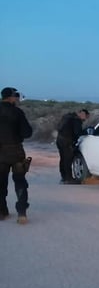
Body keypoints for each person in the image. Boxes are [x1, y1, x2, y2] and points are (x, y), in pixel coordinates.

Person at [0, 87, 33, 224]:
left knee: (1, 183)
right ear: (11, 97)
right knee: (20, 181)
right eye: (16, 96)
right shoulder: (17, 112)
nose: (18, 98)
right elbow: (27, 133)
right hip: (16, 151)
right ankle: (21, 213)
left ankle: (2, 212)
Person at [56, 109, 90, 184]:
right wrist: (85, 131)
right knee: (68, 160)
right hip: (67, 141)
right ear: (83, 114)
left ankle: (64, 177)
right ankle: (69, 179)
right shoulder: (76, 120)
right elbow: (77, 132)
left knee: (63, 159)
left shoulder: (67, 117)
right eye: (86, 117)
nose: (85, 119)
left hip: (60, 140)